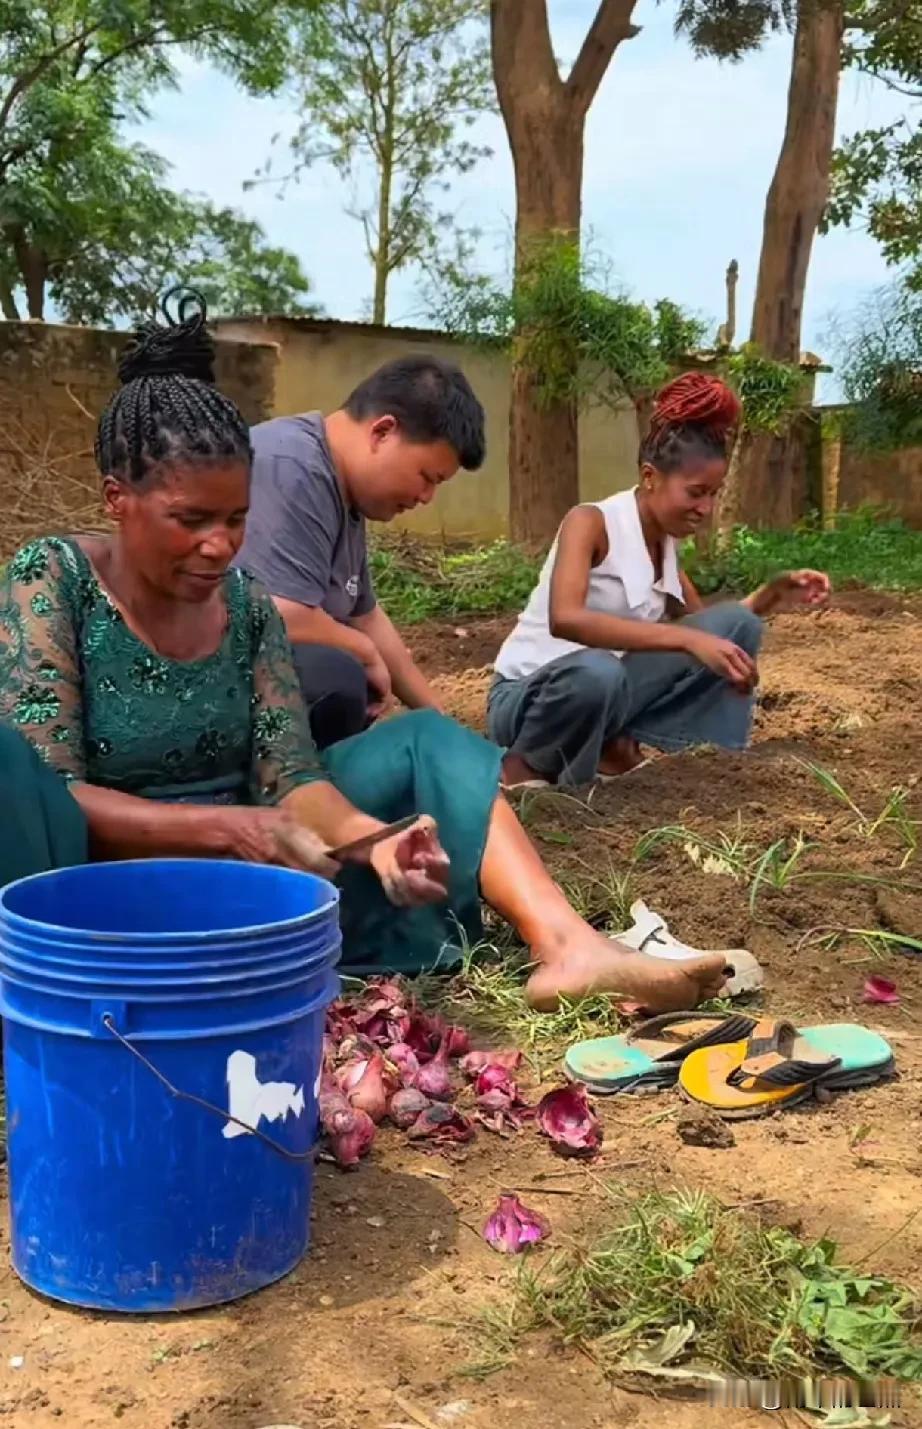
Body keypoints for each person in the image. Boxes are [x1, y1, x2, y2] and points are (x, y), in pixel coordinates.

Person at [0, 291, 727, 1015]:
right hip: (95, 889)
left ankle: (567, 945)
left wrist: (372, 840)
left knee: (427, 743)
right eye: (190, 520)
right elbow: (49, 794)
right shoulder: (55, 580)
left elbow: (291, 776)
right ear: (116, 498)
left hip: (253, 868)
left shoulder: (247, 604)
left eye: (236, 519)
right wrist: (227, 825)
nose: (220, 545)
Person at [488, 373, 831, 789]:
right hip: (532, 699)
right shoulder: (591, 522)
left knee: (738, 629)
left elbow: (710, 632)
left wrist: (771, 593)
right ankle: (523, 768)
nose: (705, 508)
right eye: (695, 492)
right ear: (650, 477)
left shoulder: (664, 547)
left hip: (604, 694)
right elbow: (566, 618)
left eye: (713, 495)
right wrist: (686, 639)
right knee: (600, 671)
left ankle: (685, 757)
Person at [233, 355, 486, 749]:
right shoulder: (292, 467)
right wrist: (363, 652)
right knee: (336, 677)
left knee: (346, 669)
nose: (425, 497)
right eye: (426, 477)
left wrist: (441, 727)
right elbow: (276, 610)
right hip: (187, 674)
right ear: (383, 431)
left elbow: (364, 615)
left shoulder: (344, 492)